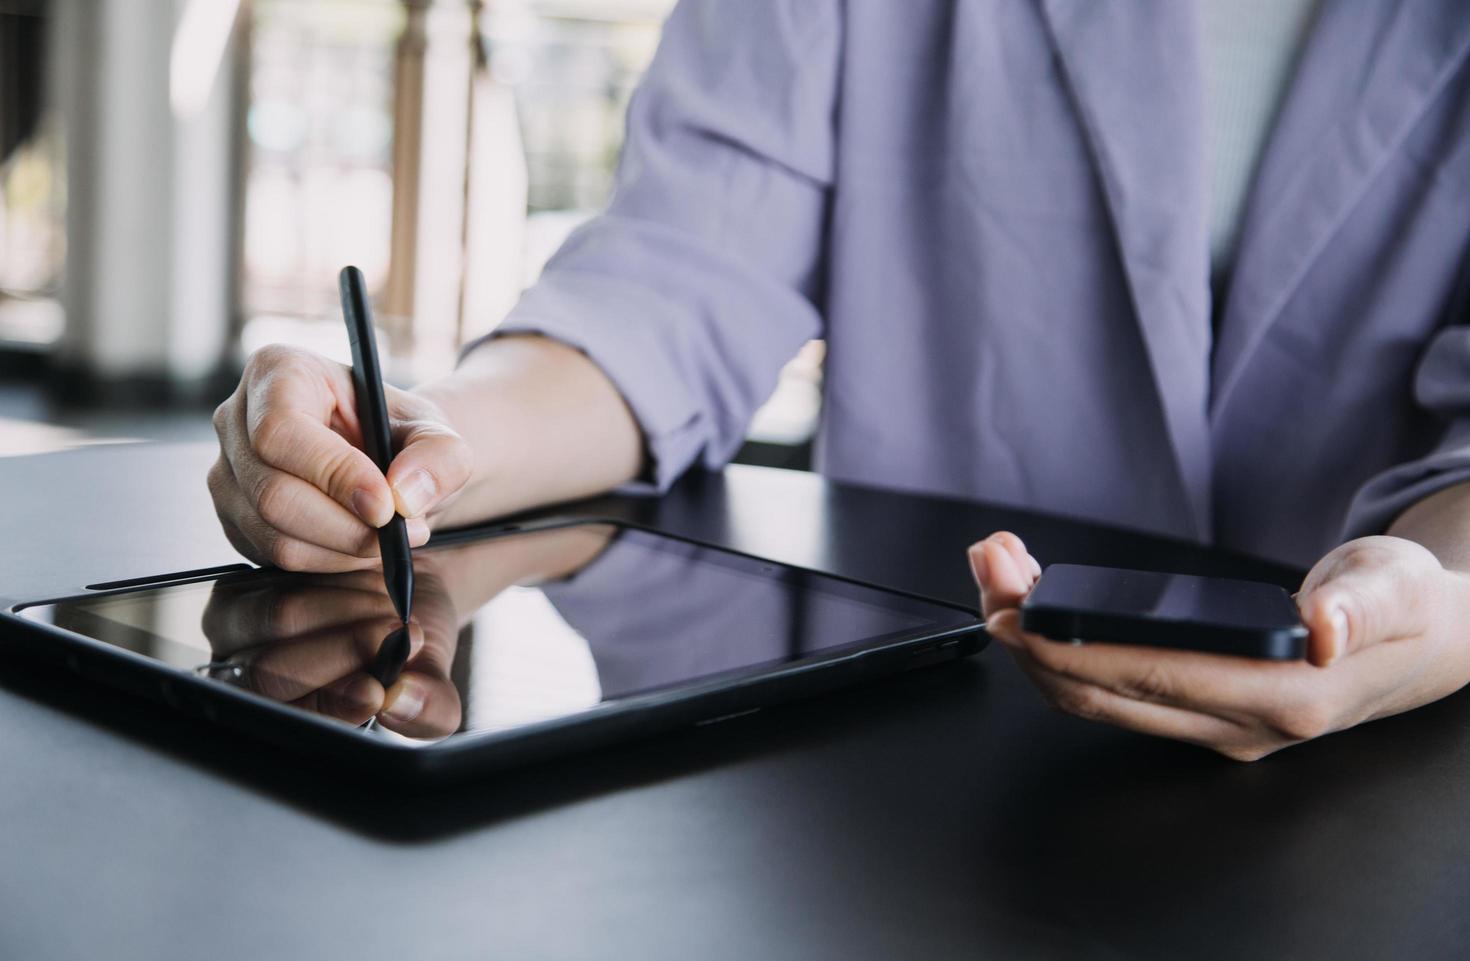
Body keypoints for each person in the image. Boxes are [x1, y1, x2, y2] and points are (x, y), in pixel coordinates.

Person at [208, 1, 1470, 761]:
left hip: (1397, 776)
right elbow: (678, 273)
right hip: (907, 773)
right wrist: (436, 438)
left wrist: (1448, 600)